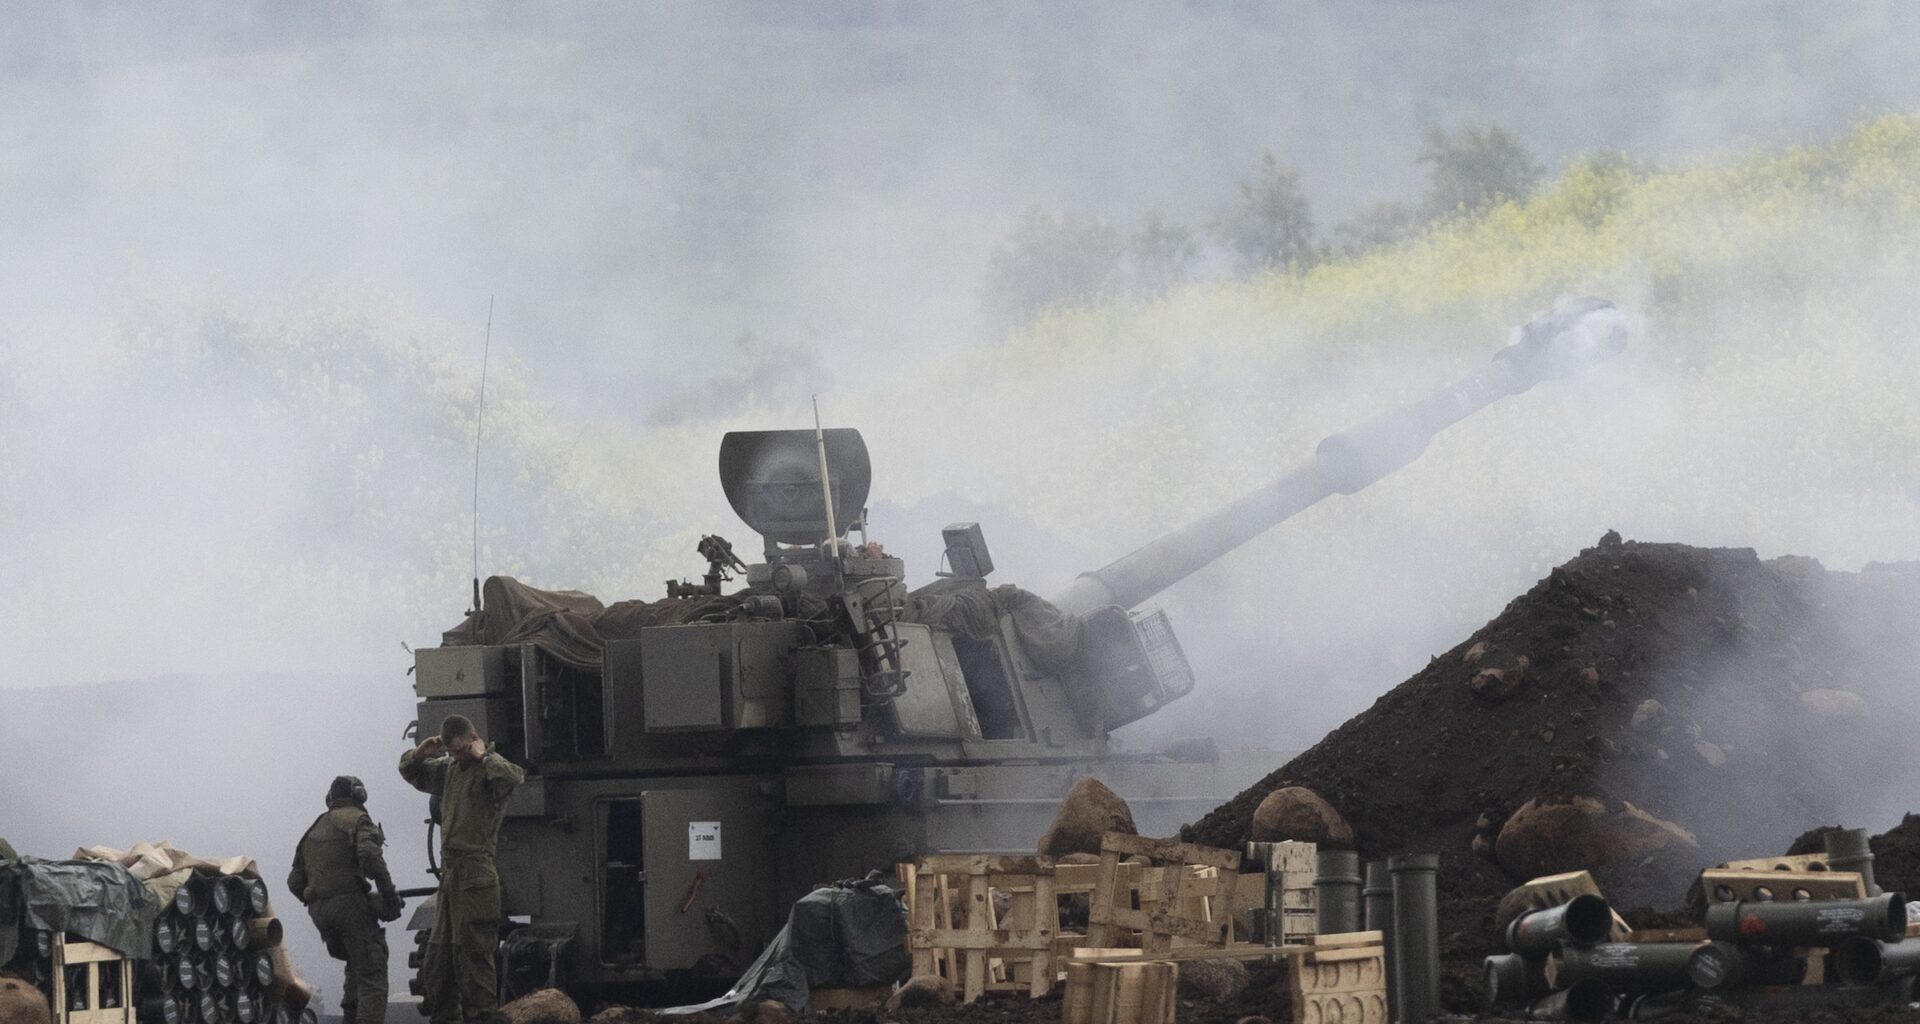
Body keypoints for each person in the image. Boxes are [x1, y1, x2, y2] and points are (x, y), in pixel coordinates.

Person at [399, 714, 525, 1024]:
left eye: (462, 750)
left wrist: (485, 756)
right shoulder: (450, 770)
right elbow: (410, 772)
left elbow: (513, 777)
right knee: (438, 964)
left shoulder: (489, 771)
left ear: (473, 738)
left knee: (474, 961)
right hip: (451, 877)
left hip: (476, 875)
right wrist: (420, 753)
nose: (458, 756)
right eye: (452, 752)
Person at [287, 775, 403, 1024]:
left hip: (320, 912)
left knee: (356, 964)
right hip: (349, 908)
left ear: (330, 798)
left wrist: (319, 899)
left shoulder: (314, 828)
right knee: (373, 973)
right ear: (359, 795)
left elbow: (294, 882)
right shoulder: (358, 819)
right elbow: (370, 856)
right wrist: (389, 897)